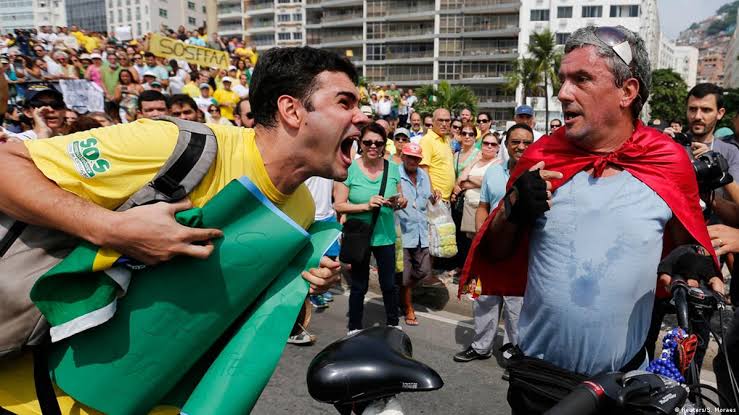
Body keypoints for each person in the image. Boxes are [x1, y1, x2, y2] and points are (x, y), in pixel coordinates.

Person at [0, 45, 367, 413]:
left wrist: (304, 283)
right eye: (345, 102)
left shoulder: (302, 207)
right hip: (40, 394)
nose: (362, 117)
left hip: (151, 396)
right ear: (292, 110)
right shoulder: (176, 145)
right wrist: (111, 228)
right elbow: (6, 165)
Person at [459, 26, 723, 412]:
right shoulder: (542, 157)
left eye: (581, 79)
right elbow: (497, 253)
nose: (564, 93)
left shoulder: (667, 161)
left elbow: (685, 251)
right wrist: (514, 208)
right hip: (536, 380)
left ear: (627, 91)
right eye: (563, 79)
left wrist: (692, 261)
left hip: (622, 387)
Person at [454, 124, 530, 363]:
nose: (521, 147)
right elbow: (483, 206)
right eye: (515, 142)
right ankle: (480, 346)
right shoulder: (493, 172)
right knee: (483, 297)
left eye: (527, 143)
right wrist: (481, 236)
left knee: (516, 303)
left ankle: (512, 349)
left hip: (522, 250)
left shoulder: (536, 175)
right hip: (491, 245)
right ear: (506, 145)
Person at [334, 122, 407, 334]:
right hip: (359, 236)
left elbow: (400, 197)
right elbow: (339, 205)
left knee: (389, 284)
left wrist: (400, 202)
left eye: (378, 143)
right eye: (368, 142)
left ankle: (393, 323)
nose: (373, 146)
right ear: (360, 143)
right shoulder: (350, 169)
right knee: (359, 286)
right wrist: (366, 205)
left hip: (385, 235)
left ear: (384, 144)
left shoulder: (393, 168)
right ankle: (354, 327)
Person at [396, 142, 432, 326]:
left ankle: (401, 294)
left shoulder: (423, 175)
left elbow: (428, 198)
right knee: (405, 275)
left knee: (423, 271)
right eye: (410, 157)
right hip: (402, 232)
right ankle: (408, 307)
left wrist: (435, 196)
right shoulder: (395, 174)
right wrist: (396, 202)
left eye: (416, 158)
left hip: (421, 231)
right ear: (403, 157)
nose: (413, 161)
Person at [419, 108, 455, 201]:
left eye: (447, 120)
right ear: (433, 121)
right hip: (434, 198)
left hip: (446, 199)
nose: (444, 124)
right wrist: (432, 193)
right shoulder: (427, 140)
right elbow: (423, 170)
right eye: (440, 120)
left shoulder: (446, 139)